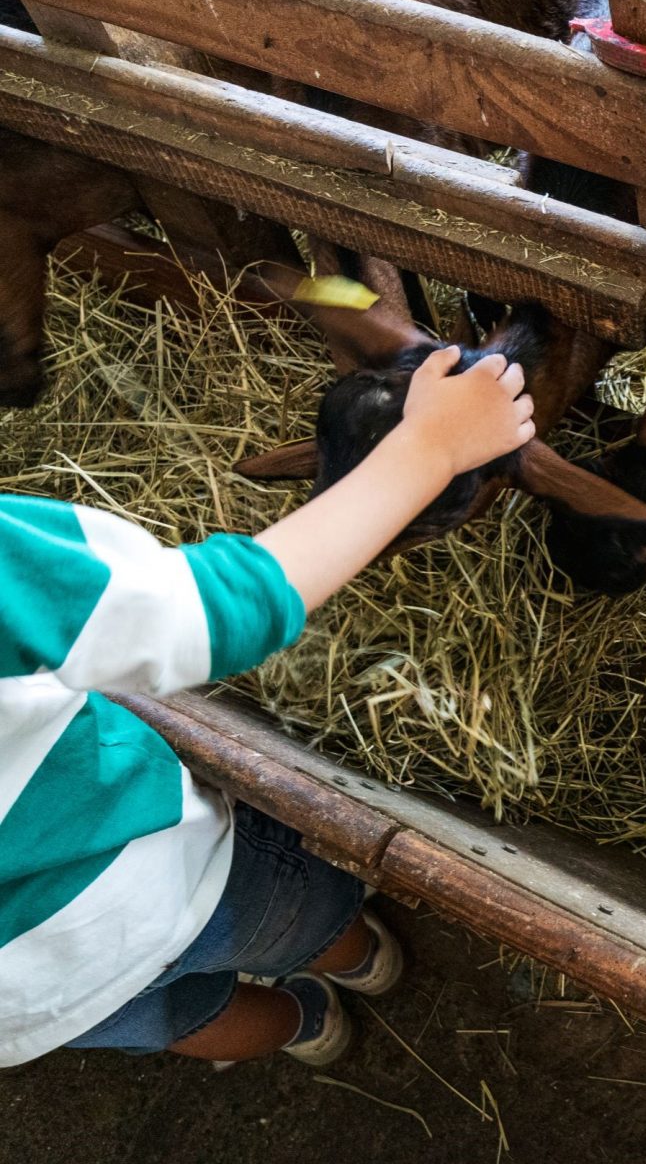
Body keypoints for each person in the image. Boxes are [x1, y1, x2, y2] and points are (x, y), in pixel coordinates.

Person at [0, 344, 534, 1068]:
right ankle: (360, 958)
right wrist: (430, 448)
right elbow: (197, 613)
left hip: (25, 1003)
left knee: (183, 1021)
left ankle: (304, 1026)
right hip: (152, 878)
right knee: (297, 917)